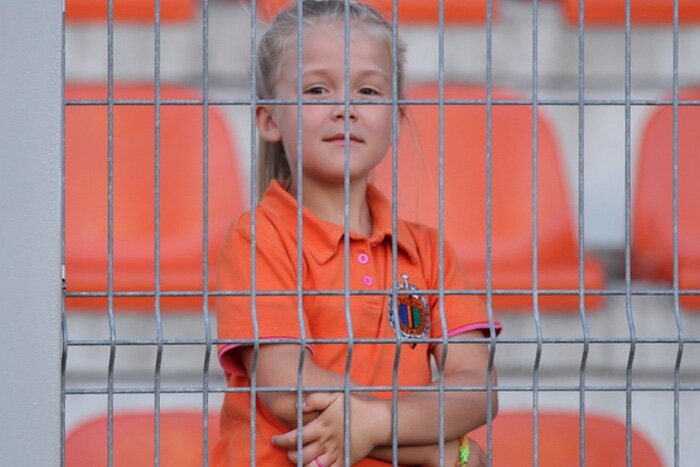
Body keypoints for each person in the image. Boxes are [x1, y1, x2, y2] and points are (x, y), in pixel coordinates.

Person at [213, 1, 501, 465]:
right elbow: (286, 386)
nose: (345, 108)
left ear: (396, 119)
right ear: (268, 119)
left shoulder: (429, 252)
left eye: (368, 90)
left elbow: (476, 387)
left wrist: (379, 424)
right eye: (317, 90)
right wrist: (433, 447)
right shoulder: (259, 237)